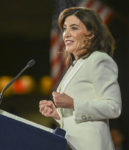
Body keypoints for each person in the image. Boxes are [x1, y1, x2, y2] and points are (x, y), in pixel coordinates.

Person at [39, 7, 122, 150]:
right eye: (65, 28)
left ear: (91, 34)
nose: (66, 34)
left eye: (74, 28)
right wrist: (56, 114)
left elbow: (113, 107)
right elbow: (78, 119)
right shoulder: (75, 66)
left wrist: (72, 103)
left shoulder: (99, 60)